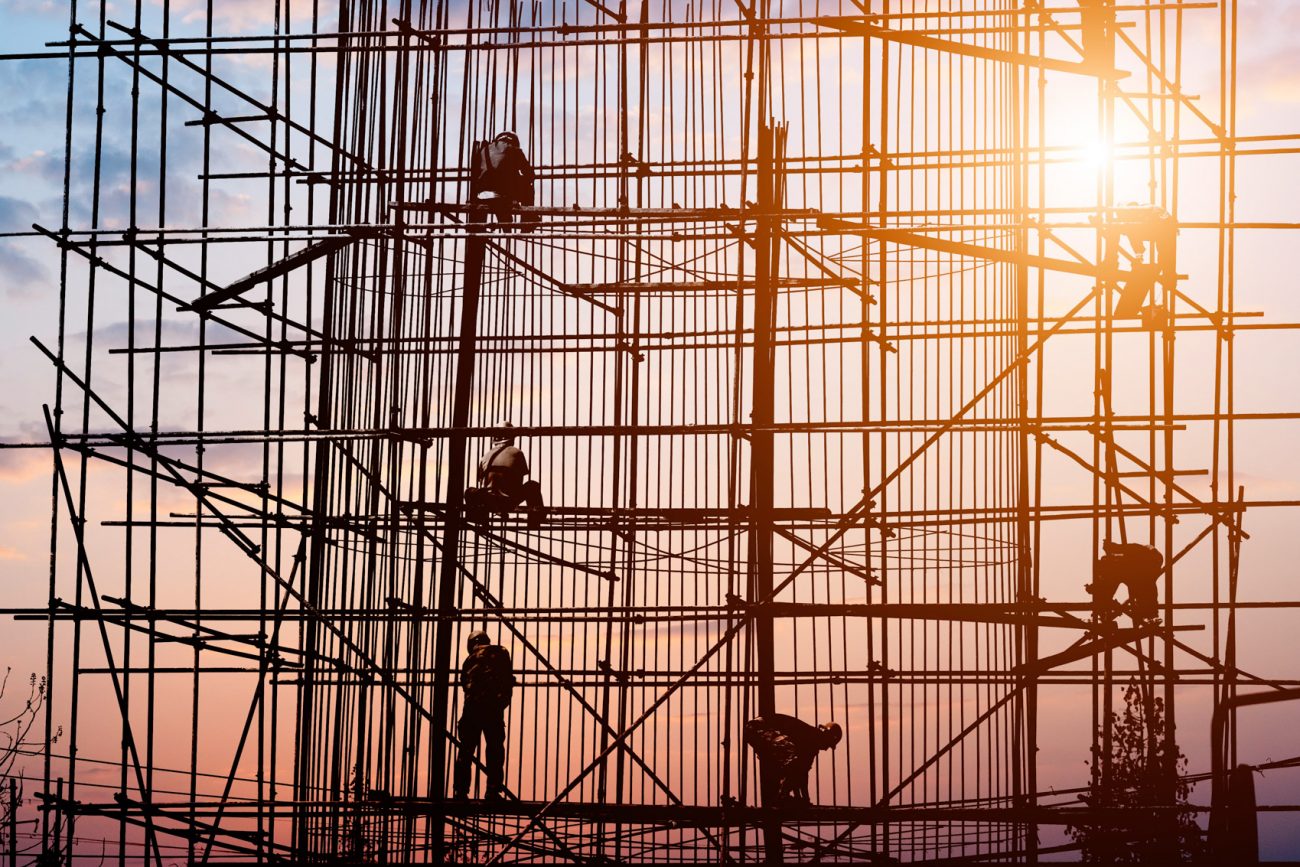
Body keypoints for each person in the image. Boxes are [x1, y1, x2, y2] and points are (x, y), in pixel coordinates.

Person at [452, 631, 515, 800]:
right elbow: (507, 678)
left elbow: (464, 684)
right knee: (495, 750)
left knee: (465, 752)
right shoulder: (501, 651)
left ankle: (460, 791)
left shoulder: (469, 659)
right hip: (493, 708)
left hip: (472, 708)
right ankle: (493, 791)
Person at [743, 714, 842, 805]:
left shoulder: (811, 736)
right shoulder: (811, 741)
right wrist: (804, 799)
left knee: (788, 764)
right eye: (828, 744)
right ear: (826, 736)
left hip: (756, 728)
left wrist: (802, 798)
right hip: (759, 729)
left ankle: (782, 796)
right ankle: (782, 796)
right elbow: (801, 772)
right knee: (791, 765)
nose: (826, 748)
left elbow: (800, 772)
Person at [464, 422, 547, 528]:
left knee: (469, 491)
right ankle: (535, 520)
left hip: (489, 500)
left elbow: (482, 481)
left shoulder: (486, 456)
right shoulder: (517, 452)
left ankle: (481, 518)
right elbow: (519, 480)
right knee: (532, 485)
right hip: (508, 500)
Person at [469, 131, 538, 229]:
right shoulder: (514, 149)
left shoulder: (484, 150)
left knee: (504, 219)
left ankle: (501, 222)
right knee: (528, 188)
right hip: (503, 195)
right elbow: (530, 174)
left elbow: (476, 174)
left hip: (482, 195)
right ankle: (527, 220)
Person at [1088, 540, 1164, 625]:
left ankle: (1150, 615)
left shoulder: (1136, 553)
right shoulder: (1117, 566)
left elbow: (1133, 548)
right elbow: (1107, 582)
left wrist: (1114, 547)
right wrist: (1097, 587)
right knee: (1111, 582)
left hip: (1146, 563)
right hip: (1139, 568)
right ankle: (1102, 612)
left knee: (1146, 588)